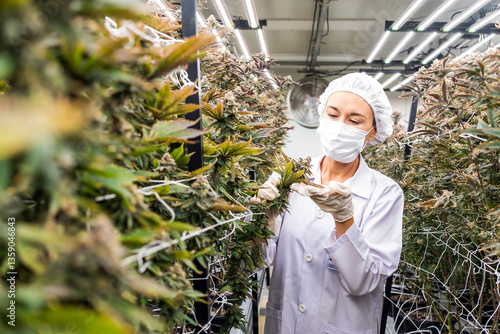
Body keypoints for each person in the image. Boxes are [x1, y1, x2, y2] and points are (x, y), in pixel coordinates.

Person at [257, 73, 404, 334]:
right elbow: (256, 261)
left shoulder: (385, 194)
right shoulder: (289, 176)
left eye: (354, 120)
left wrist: (344, 220)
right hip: (285, 325)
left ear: (372, 133)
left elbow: (365, 281)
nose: (340, 125)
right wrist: (262, 221)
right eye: (333, 115)